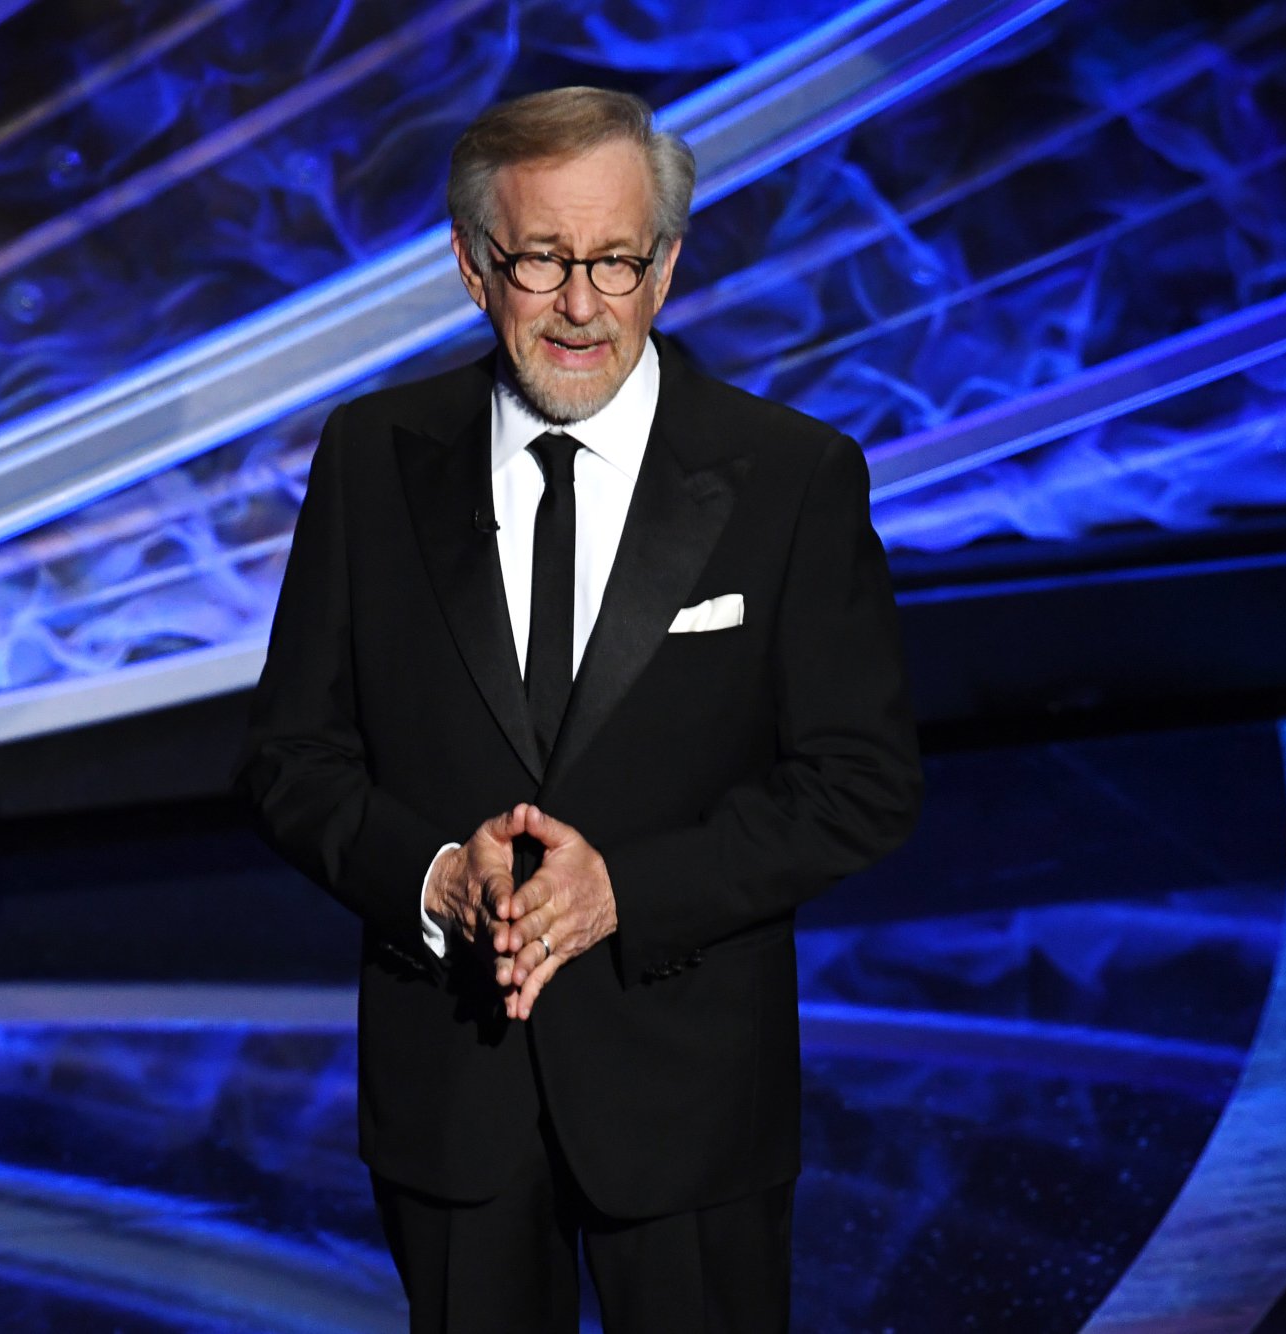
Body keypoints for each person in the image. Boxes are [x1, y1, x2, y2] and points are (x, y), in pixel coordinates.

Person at [238, 86, 922, 1334]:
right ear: (470, 265)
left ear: (663, 266)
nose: (578, 304)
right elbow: (291, 756)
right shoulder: (370, 458)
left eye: (612, 259)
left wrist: (628, 890)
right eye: (542, 259)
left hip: (691, 1099)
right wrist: (436, 874)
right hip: (453, 1096)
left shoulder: (788, 477)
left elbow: (859, 780)